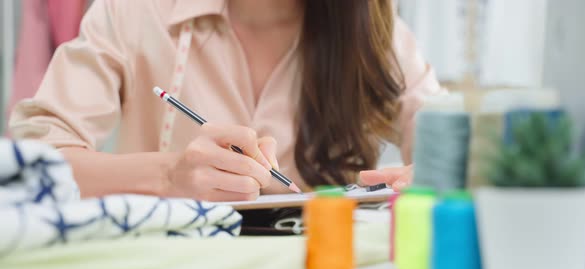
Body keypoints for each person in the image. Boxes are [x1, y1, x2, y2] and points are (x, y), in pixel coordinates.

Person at [9, 0, 443, 201]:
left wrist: (437, 175)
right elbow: (29, 169)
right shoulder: (132, 13)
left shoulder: (375, 36)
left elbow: (453, 145)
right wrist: (167, 175)